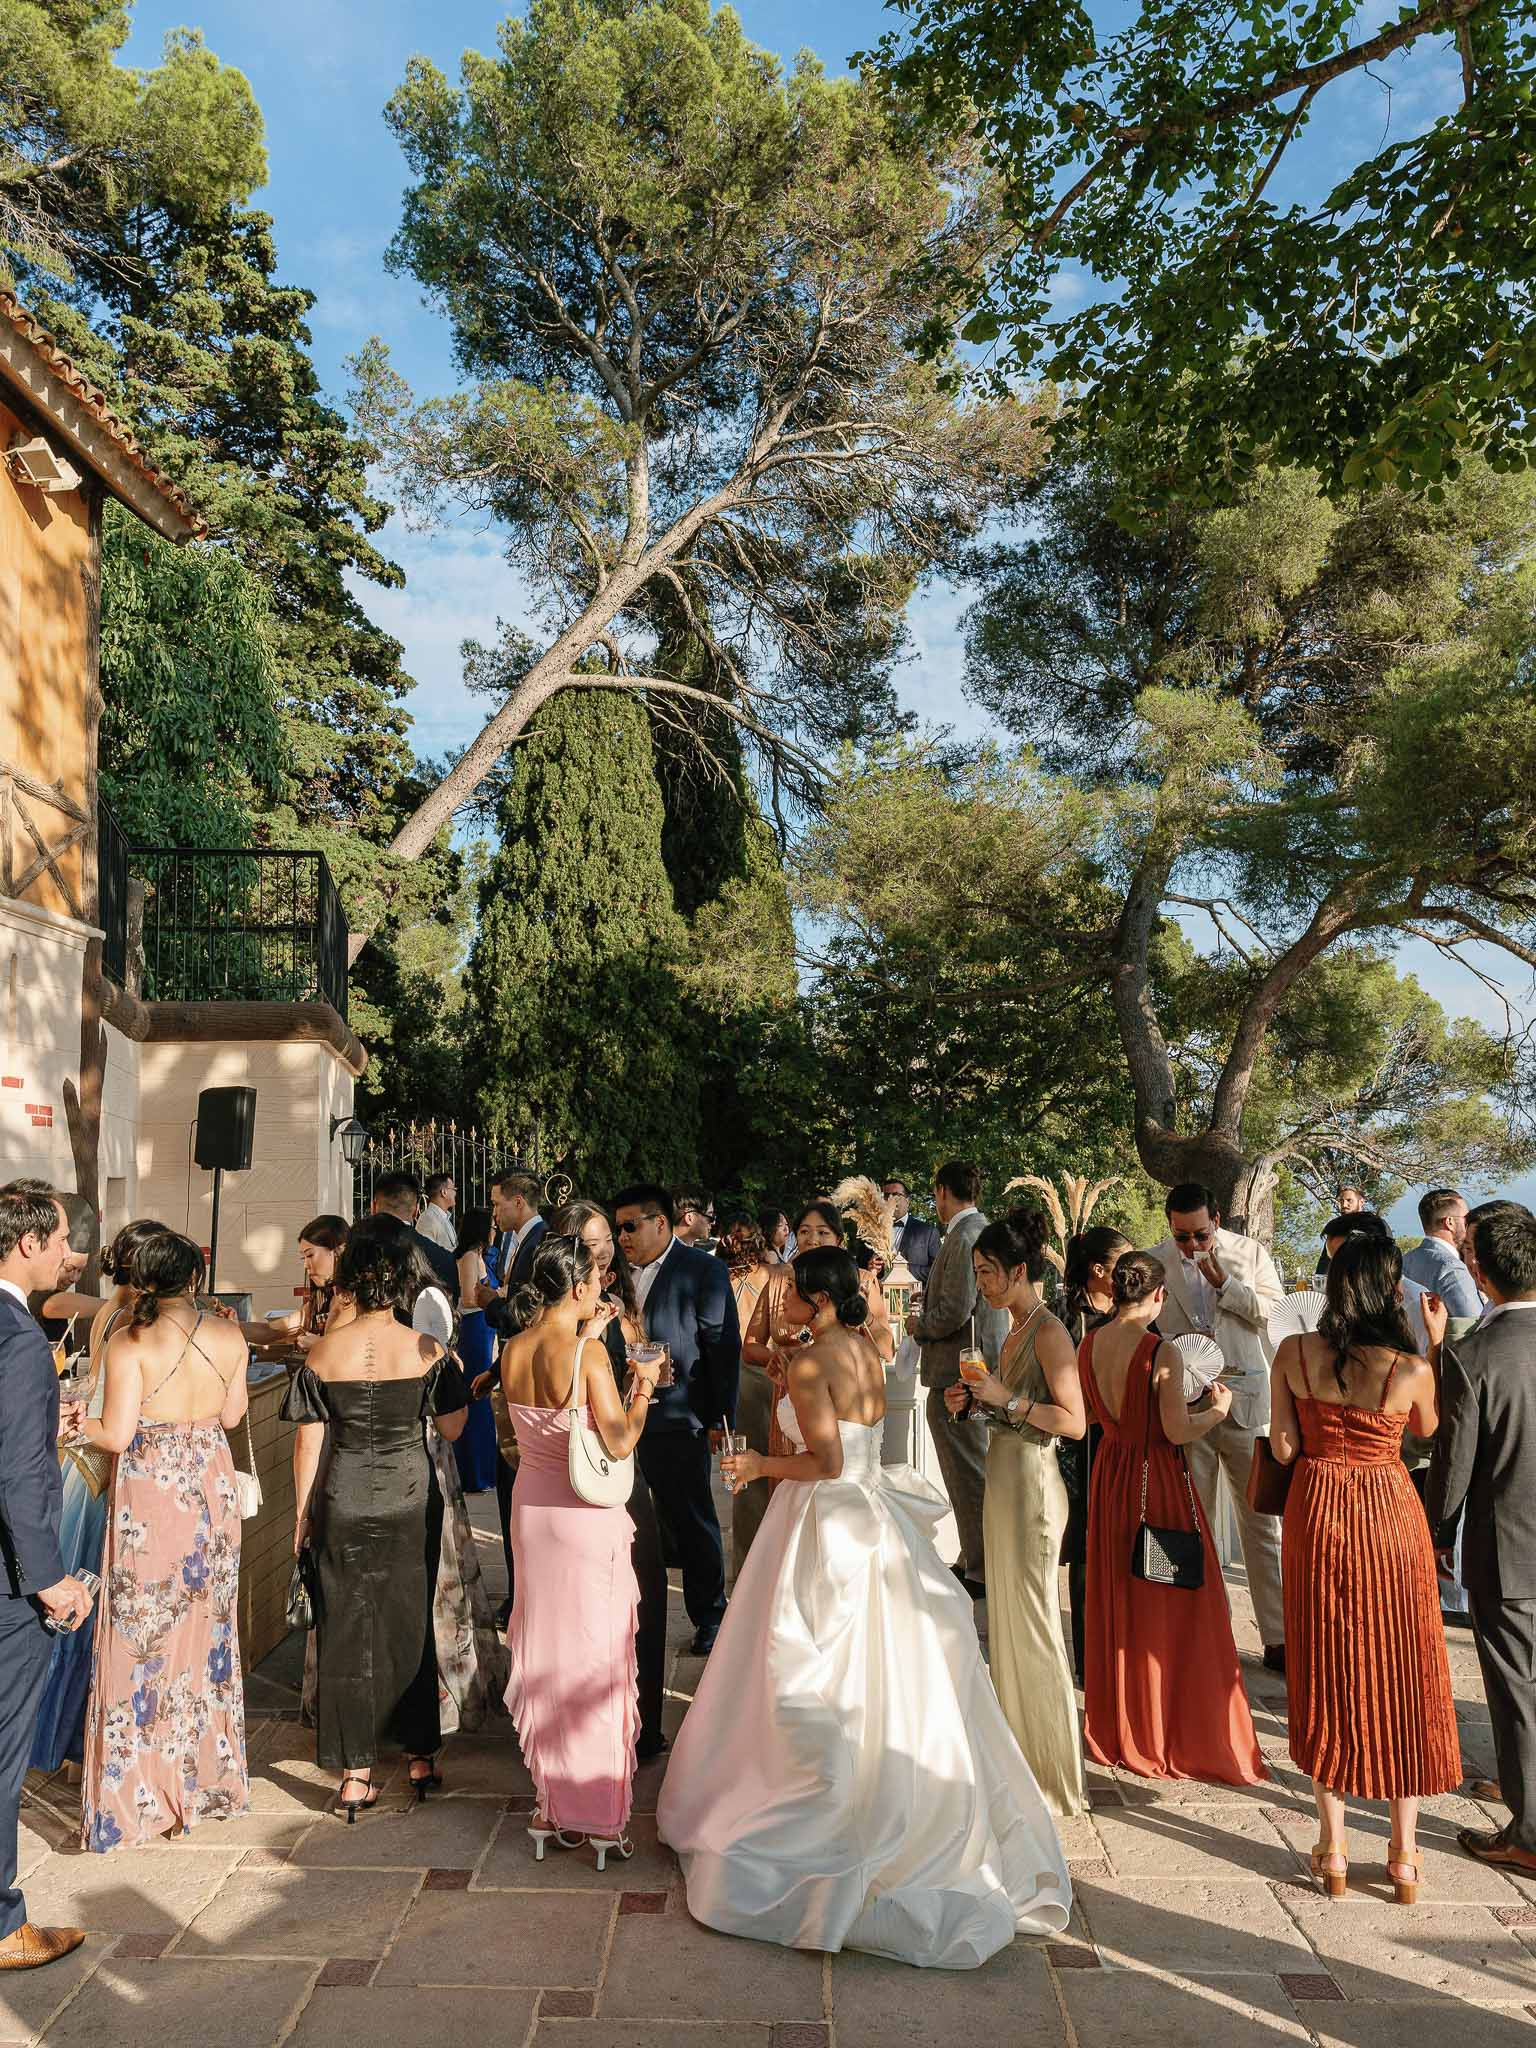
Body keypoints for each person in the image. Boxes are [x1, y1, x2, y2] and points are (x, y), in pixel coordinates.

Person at [659, 1245, 1071, 1967]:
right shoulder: (860, 1348)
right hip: (872, 1518)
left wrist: (756, 1464)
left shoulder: (819, 1360)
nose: (777, 1302)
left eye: (787, 1293)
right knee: (894, 1667)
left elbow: (824, 1463)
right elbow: (853, 1446)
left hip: (825, 1518)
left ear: (816, 1298)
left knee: (805, 1660)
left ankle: (813, 1819)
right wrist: (788, 1373)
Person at [1270, 1232, 1460, 1901]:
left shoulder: (1293, 1353)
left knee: (1327, 1666)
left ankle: (1335, 1848)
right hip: (1388, 1510)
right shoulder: (1408, 1367)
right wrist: (1435, 1342)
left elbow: (1284, 1447)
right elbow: (1429, 1433)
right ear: (1391, 1290)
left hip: (1317, 1507)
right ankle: (1404, 1855)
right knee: (1404, 1669)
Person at [285, 1230, 468, 1816]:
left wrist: (301, 1516)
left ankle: (355, 1773)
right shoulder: (425, 1350)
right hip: (410, 1499)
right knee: (410, 1621)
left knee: (343, 1629)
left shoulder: (321, 1355)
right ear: (402, 1285)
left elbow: (307, 1446)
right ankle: (419, 1754)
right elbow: (455, 1429)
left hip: (342, 1498)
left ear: (347, 1285)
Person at [79, 1229, 251, 1850]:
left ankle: (142, 1797)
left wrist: (78, 1421)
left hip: (154, 1491)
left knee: (140, 1638)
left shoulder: (131, 1343)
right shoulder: (231, 1335)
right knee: (206, 1631)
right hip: (212, 1482)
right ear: (193, 1279)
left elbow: (117, 1435)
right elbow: (232, 1416)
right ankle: (202, 1783)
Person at [500, 1234, 663, 1864]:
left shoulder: (513, 1346)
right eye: (595, 1280)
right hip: (583, 1515)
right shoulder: (589, 1353)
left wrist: (584, 1331)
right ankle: (597, 1815)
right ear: (578, 1288)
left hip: (532, 1507)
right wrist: (642, 1383)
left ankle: (552, 1804)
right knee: (597, 1656)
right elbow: (618, 1441)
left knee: (550, 1653)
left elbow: (522, 1425)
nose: (603, 1289)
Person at [1078, 1251, 1265, 1786]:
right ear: (1159, 1295)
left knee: (1123, 1596)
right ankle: (1165, 1730)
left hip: (1111, 1478)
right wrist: (1218, 1411)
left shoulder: (1089, 1343)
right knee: (1173, 1602)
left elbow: (1094, 1413)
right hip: (1154, 1483)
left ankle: (1122, 1726)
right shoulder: (1160, 1351)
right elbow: (1178, 1432)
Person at [944, 1208, 1087, 1818]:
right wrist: (974, 1404)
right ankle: (1019, 1758)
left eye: (988, 1273)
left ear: (1020, 1269)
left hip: (1032, 1484)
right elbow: (1010, 1413)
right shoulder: (1009, 1327)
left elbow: (1074, 1422)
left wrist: (1008, 1397)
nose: (982, 1285)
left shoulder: (1050, 1330)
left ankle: (1055, 1777)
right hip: (1004, 1475)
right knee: (1003, 1619)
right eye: (977, 1273)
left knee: (1034, 1623)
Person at [29, 1219, 165, 1778]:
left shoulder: (109, 1308)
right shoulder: (135, 1321)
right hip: (102, 1468)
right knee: (88, 1599)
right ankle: (73, 1739)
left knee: (78, 1598)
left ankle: (60, 1737)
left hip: (81, 1467)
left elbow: (58, 1301)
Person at [1429, 1208, 1536, 1873]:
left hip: (1512, 1546)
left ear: (1477, 1268)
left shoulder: (1475, 1356)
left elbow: (1453, 1464)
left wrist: (1439, 1531)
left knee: (1516, 1687)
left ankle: (1528, 1832)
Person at [0, 1183, 90, 1971]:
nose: (71, 1254)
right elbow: (19, 1480)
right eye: (63, 1239)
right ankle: (2, 1923)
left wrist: (40, 1426)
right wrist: (50, 1579)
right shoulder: (22, 1337)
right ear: (28, 1243)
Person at [1150, 1182, 1286, 1672]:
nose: (1191, 1245)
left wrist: (1225, 1285)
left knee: (1261, 1525)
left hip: (1247, 1403)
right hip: (1185, 1406)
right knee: (1193, 1520)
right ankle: (1206, 1630)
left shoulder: (1250, 1254)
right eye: (1181, 1236)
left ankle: (1278, 1637)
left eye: (1200, 1234)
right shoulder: (1154, 1260)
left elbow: (1273, 1316)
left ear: (1218, 1219)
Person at [550, 1200, 670, 1759]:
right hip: (590, 1466)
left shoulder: (615, 1305)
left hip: (621, 1458)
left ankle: (643, 1722)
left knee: (643, 1588)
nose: (608, 1248)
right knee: (599, 1602)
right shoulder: (567, 1318)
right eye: (595, 1241)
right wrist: (640, 1386)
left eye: (610, 1238)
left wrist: (642, 1370)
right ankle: (599, 1724)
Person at [613, 1184, 740, 1655]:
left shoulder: (703, 1270)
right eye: (618, 1227)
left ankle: (710, 1615)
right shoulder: (611, 1273)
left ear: (661, 1223)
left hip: (678, 1413)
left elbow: (722, 1347)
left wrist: (718, 1419)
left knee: (691, 1519)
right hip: (618, 1413)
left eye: (630, 1226)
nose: (621, 1236)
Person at [905, 1162, 1005, 1599]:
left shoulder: (966, 1236)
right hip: (968, 1370)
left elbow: (956, 1309)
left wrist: (918, 1324)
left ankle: (982, 1568)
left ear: (943, 1191)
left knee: (969, 1473)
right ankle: (973, 1556)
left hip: (961, 1374)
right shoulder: (974, 1231)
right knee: (967, 1471)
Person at [1058, 1224, 1131, 1682]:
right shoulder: (1068, 1319)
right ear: (1099, 1270)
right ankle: (1087, 1660)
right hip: (1083, 1444)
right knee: (1085, 1548)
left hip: (1127, 1440)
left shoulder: (1135, 1313)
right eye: (1122, 1265)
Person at [718, 1213, 778, 1569]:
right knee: (765, 1469)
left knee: (745, 1473)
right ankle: (762, 1563)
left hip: (741, 1371)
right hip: (764, 1369)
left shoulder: (720, 1277)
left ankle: (746, 1565)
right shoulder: (772, 1275)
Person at [249, 1215, 349, 1357]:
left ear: (338, 1250)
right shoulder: (322, 1301)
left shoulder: (358, 1301)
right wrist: (231, 1325)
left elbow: (360, 1352)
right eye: (303, 1258)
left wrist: (318, 1344)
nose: (305, 1265)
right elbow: (271, 1331)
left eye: (310, 1255)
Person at [452, 1207, 500, 1493]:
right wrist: (497, 1296)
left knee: (483, 1399)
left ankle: (483, 1469)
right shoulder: (470, 1256)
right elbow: (469, 1298)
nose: (495, 1230)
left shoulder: (479, 1255)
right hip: (475, 1329)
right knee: (478, 1398)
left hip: (483, 1328)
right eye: (491, 1225)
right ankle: (475, 1472)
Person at [370, 1171, 460, 1308]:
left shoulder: (354, 1245)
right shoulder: (439, 1255)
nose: (455, 1193)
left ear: (373, 1206)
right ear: (416, 1209)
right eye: (453, 1189)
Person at [1402, 1188, 1481, 1322]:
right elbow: (1474, 1324)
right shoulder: (1453, 1269)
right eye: (1467, 1218)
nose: (1470, 1224)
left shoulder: (1405, 1261)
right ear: (1449, 1222)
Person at [883, 1175, 940, 1287]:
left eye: (896, 1195)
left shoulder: (927, 1232)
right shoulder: (870, 1231)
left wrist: (906, 1269)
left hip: (913, 1299)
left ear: (907, 1201)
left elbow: (938, 1271)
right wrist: (871, 1268)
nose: (890, 1199)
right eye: (886, 1196)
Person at [1315, 1185, 1365, 1275]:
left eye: (1349, 1200)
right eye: (1341, 1201)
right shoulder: (1336, 1230)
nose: (1344, 1205)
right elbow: (1323, 1267)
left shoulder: (1376, 1226)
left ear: (1361, 1202)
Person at [417, 1172, 458, 1253]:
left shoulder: (444, 1217)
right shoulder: (427, 1219)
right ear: (444, 1192)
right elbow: (426, 1255)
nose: (455, 1193)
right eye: (453, 1189)